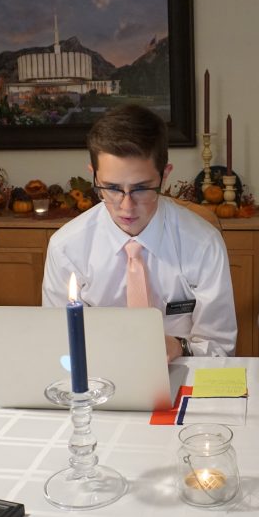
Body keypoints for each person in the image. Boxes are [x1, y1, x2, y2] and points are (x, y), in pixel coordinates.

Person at [43, 104, 237, 360]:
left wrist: (180, 347)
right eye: (112, 188)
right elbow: (59, 342)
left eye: (141, 188)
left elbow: (220, 347)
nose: (126, 206)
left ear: (164, 176)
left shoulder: (203, 243)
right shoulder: (67, 247)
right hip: (98, 372)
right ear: (94, 176)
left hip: (182, 368)